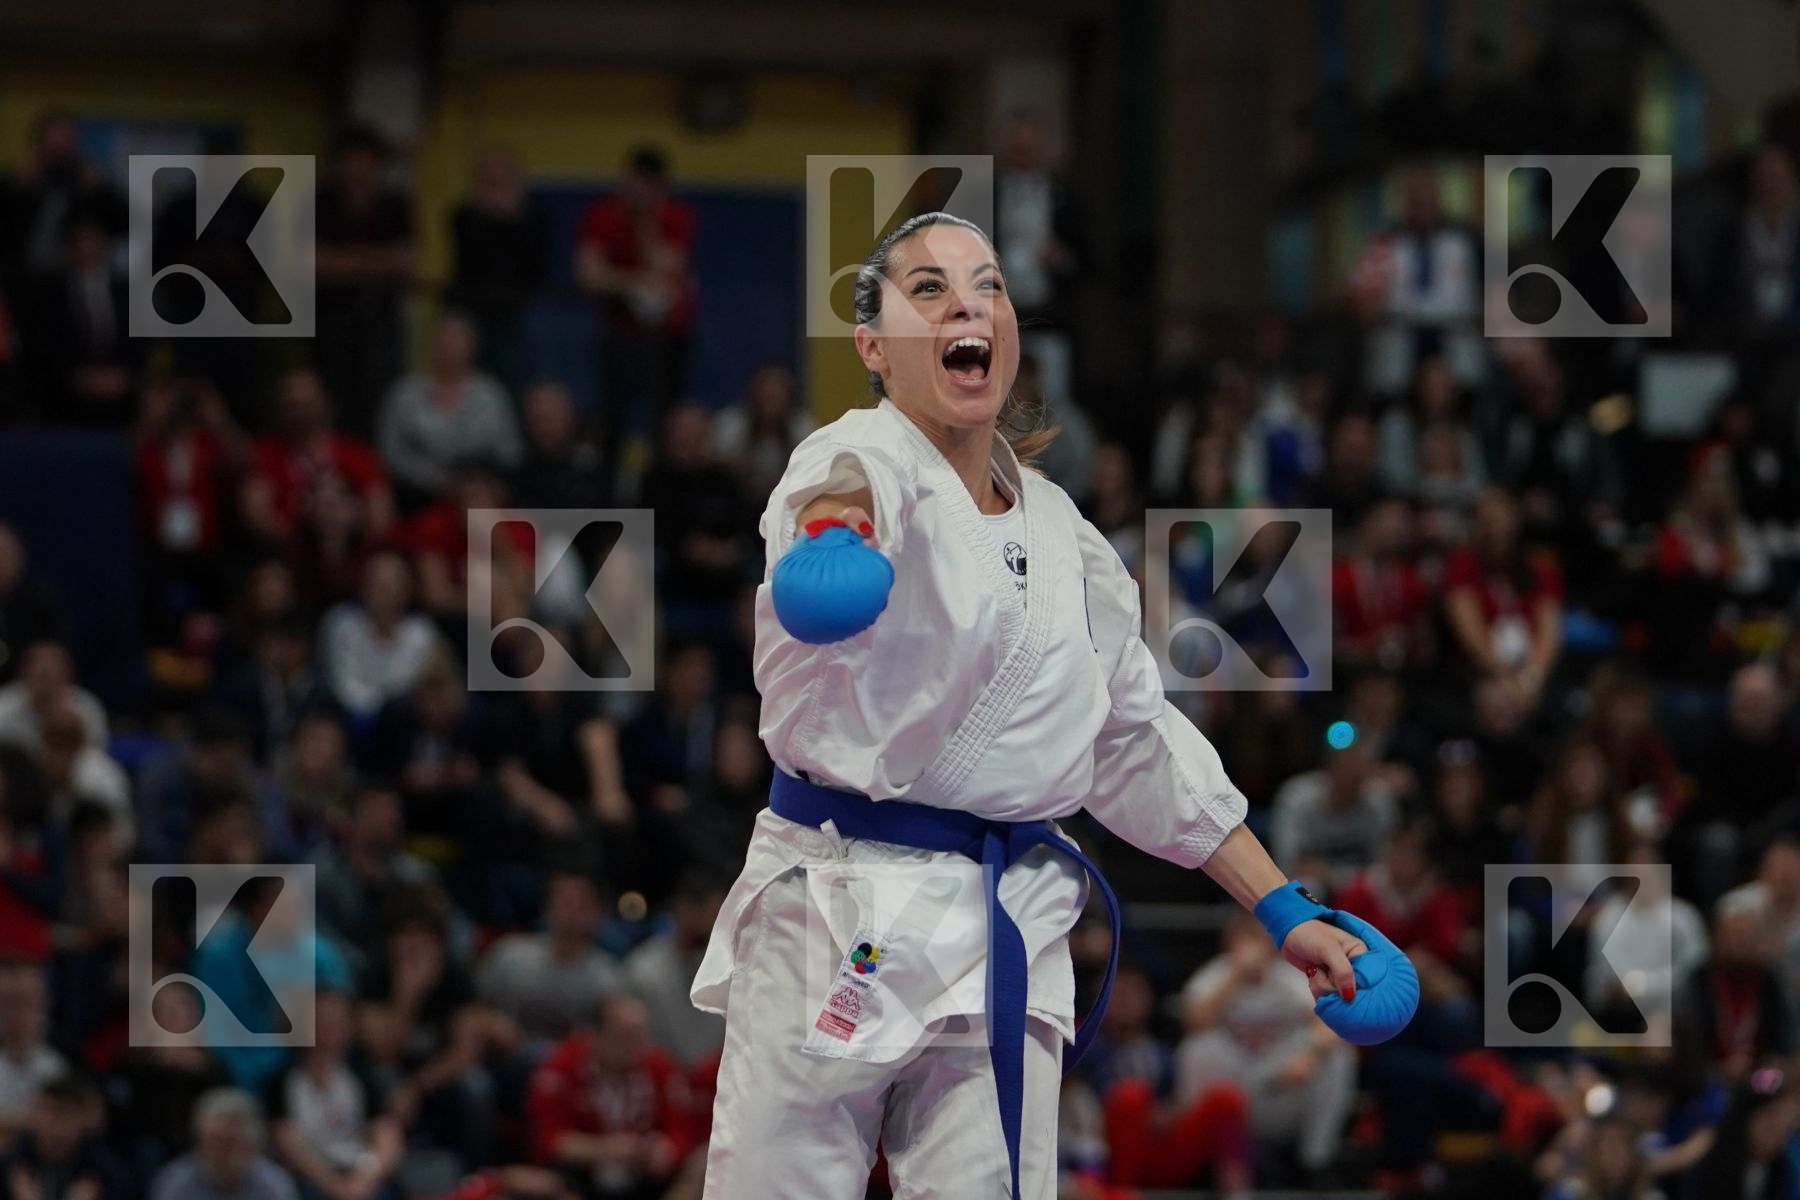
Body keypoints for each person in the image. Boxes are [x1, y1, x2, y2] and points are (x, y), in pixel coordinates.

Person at [692, 213, 1410, 1198]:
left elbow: (1132, 737)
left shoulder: (1067, 535)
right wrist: (833, 537)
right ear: (873, 346)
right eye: (929, 289)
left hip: (1008, 916)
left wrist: (1285, 909)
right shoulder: (853, 456)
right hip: (841, 898)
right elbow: (845, 491)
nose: (967, 305)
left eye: (987, 286)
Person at [575, 147, 696, 465]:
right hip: (619, 333)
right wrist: (635, 283)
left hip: (666, 337)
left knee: (663, 421)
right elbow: (590, 277)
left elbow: (667, 267)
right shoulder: (603, 214)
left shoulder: (675, 216)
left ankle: (659, 483)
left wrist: (645, 222)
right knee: (612, 419)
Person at [148, 1089, 299, 1200]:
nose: (222, 1153)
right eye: (216, 1141)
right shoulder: (175, 1183)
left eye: (232, 1143)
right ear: (199, 1140)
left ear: (252, 1146)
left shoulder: (274, 1185)